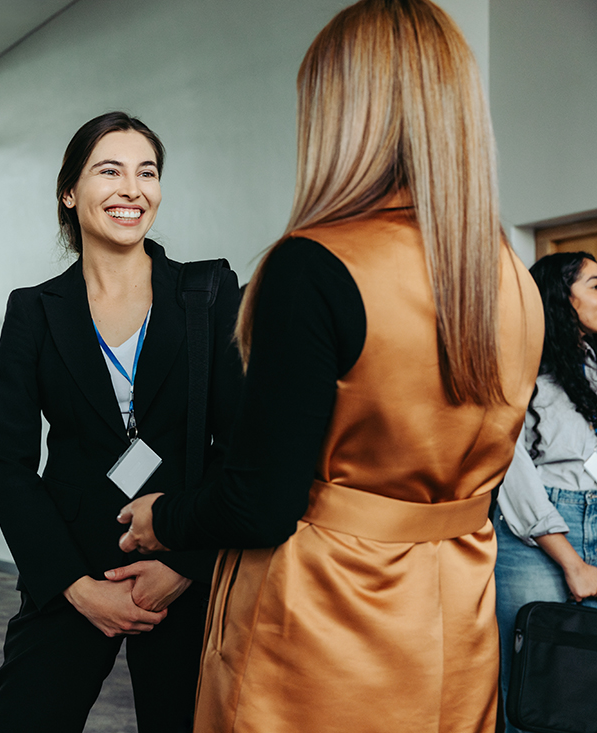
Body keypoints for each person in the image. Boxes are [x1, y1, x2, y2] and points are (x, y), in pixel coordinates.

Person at [117, 1, 543, 731]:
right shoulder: (511, 279)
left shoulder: (313, 266)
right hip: (455, 615)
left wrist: (164, 518)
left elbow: (261, 500)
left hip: (325, 616)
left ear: (345, 111)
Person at [0, 112, 242, 732]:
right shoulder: (34, 311)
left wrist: (184, 566)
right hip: (71, 565)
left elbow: (241, 446)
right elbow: (6, 460)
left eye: (147, 172)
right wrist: (75, 586)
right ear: (70, 192)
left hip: (185, 563)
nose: (132, 188)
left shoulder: (207, 293)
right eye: (110, 170)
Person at [495, 251, 597, 733]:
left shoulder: (594, 361)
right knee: (536, 686)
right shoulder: (519, 364)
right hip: (537, 531)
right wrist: (571, 561)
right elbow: (510, 465)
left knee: (588, 686)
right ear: (561, 298)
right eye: (596, 284)